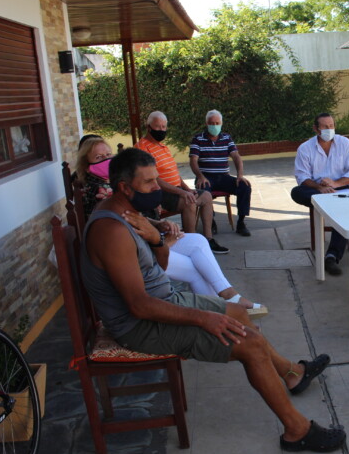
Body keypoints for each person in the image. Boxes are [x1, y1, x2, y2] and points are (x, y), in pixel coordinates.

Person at [81, 148, 346, 452]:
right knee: (249, 345)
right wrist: (205, 318)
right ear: (125, 187)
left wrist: (157, 238)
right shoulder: (112, 231)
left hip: (163, 301)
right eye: (149, 182)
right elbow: (139, 306)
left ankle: (292, 374)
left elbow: (161, 266)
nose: (157, 187)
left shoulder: (128, 213)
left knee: (239, 315)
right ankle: (296, 430)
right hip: (139, 326)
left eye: (156, 179)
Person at [75, 136, 265, 314]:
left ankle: (227, 302)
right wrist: (161, 242)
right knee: (195, 268)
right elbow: (124, 232)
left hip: (147, 241)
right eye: (99, 157)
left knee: (198, 241)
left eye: (108, 155)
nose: (106, 160)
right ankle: (225, 308)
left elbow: (132, 217)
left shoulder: (109, 184)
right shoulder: (98, 193)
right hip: (139, 253)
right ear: (86, 164)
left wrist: (158, 224)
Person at [135, 111, 229, 254]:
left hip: (175, 189)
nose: (161, 130)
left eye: (164, 127)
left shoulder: (163, 147)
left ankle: (208, 239)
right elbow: (154, 179)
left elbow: (174, 173)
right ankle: (190, 244)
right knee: (189, 202)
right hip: (159, 192)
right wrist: (182, 193)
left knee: (206, 196)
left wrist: (186, 189)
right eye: (158, 127)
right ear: (148, 127)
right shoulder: (142, 148)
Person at [291, 113, 349, 276]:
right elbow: (302, 176)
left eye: (331, 126)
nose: (329, 129)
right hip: (317, 191)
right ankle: (328, 201)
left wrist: (336, 183)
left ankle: (331, 257)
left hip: (341, 188)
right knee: (296, 192)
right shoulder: (305, 148)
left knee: (345, 211)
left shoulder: (345, 143)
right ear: (316, 129)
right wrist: (319, 188)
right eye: (325, 126)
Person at [189, 110, 253, 236]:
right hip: (205, 178)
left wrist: (240, 175)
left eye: (217, 123)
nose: (214, 126)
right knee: (204, 191)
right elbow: (193, 160)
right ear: (206, 123)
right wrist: (200, 176)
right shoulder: (198, 139)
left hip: (224, 177)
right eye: (211, 123)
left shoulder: (226, 138)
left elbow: (236, 156)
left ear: (221, 123)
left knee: (245, 186)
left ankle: (241, 222)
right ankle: (210, 222)